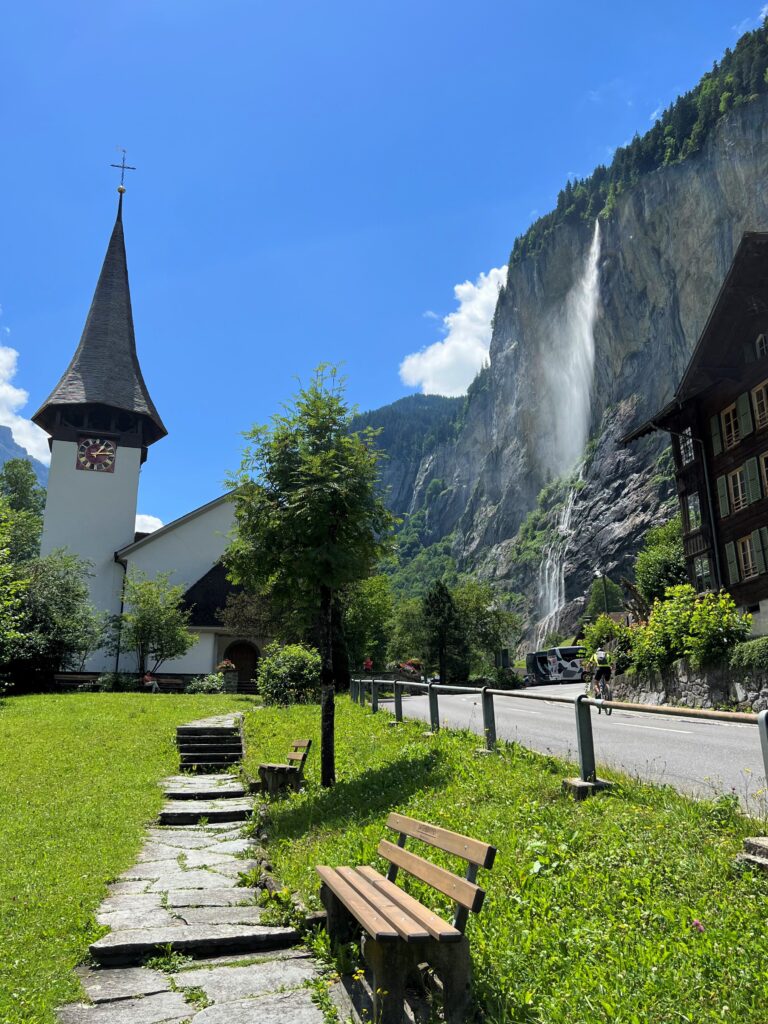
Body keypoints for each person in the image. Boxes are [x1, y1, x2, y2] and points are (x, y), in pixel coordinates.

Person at [591, 647, 612, 714]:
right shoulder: (607, 654)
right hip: (607, 669)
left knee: (596, 682)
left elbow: (590, 663)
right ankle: (607, 689)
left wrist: (589, 669)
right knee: (607, 682)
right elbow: (611, 663)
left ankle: (598, 692)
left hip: (599, 669)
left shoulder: (595, 654)